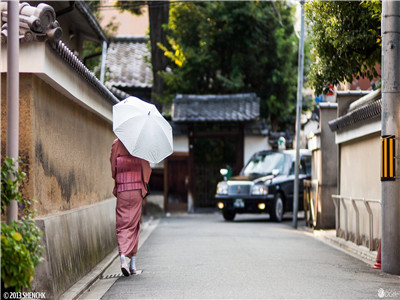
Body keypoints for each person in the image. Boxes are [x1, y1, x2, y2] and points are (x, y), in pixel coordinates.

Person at [110, 138, 152, 276]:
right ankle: (133, 263)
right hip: (136, 189)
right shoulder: (141, 143)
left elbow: (113, 165)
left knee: (122, 224)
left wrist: (118, 177)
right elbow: (146, 168)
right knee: (134, 225)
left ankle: (123, 257)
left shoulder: (117, 143)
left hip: (123, 187)